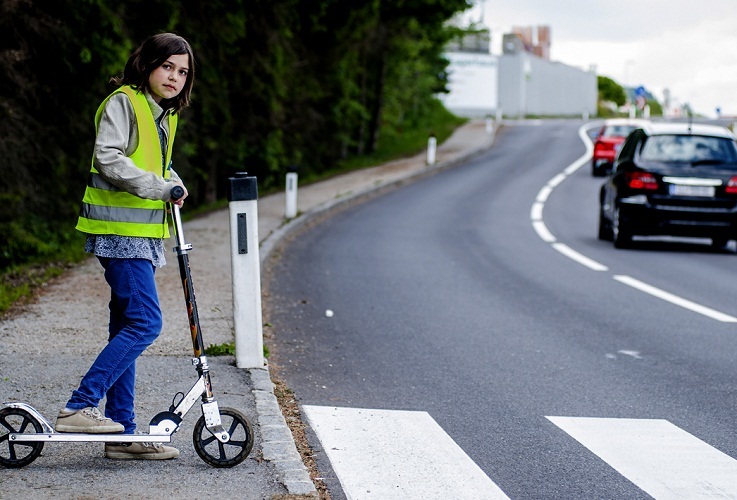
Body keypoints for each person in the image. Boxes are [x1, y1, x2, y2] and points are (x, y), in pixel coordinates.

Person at [55, 33, 195, 461]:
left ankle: (122, 432)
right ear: (148, 64)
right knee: (145, 323)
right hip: (119, 232)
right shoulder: (124, 101)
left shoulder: (163, 115)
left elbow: (155, 164)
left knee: (126, 326)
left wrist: (173, 181)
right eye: (167, 66)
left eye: (183, 72)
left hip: (142, 235)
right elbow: (109, 157)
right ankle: (79, 406)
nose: (174, 77)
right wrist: (159, 186)